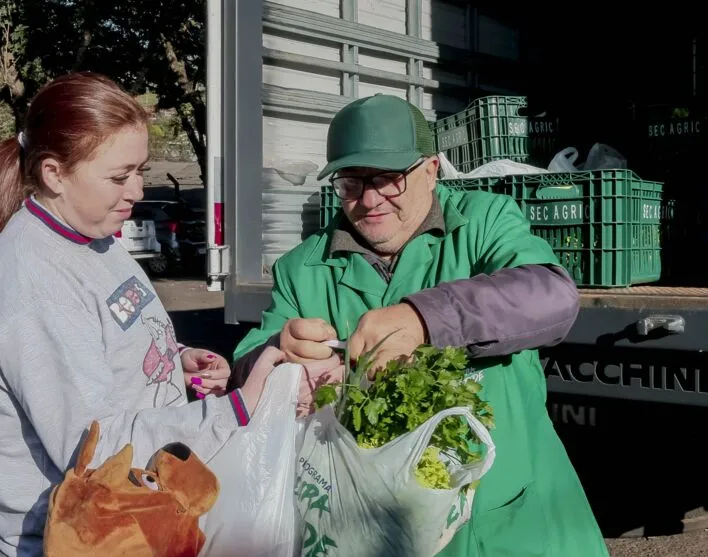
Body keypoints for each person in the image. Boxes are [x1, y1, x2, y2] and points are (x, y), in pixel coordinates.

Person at [0, 72, 336, 557]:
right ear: (54, 173)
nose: (137, 190)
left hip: (138, 517)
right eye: (120, 176)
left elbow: (115, 332)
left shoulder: (93, 236)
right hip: (80, 537)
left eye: (140, 169)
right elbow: (96, 452)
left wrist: (173, 357)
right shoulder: (33, 286)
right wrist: (237, 408)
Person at [231, 94, 609, 556]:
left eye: (388, 179)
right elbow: (246, 368)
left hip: (508, 516)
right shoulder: (301, 268)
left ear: (430, 170)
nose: (369, 200)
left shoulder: (484, 221)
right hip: (370, 525)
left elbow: (550, 297)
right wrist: (280, 354)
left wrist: (423, 318)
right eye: (351, 182)